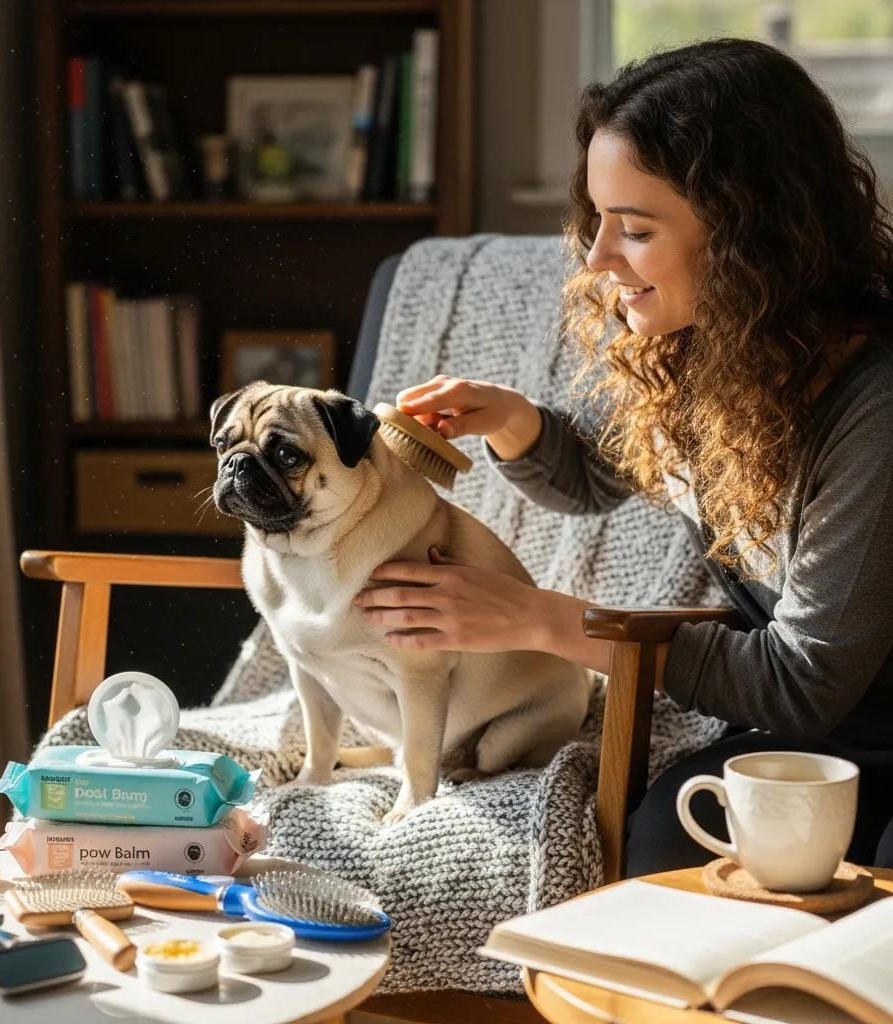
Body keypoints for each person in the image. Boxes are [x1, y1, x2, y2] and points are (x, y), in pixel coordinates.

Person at [352, 38, 893, 874]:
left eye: (634, 229)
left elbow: (803, 682)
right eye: (598, 221)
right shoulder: (714, 357)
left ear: (751, 237)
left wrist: (538, 620)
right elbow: (597, 473)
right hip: (806, 741)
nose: (599, 259)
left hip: (851, 724)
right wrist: (512, 421)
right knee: (664, 844)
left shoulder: (874, 408)